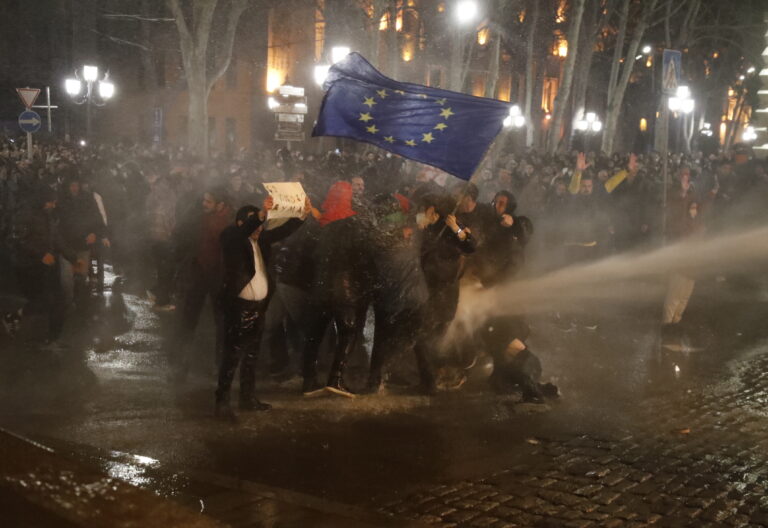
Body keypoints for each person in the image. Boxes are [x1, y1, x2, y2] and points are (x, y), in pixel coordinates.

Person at [215, 197, 309, 420]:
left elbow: (283, 231)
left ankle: (247, 398)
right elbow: (239, 233)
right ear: (240, 223)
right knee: (232, 356)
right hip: (239, 308)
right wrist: (259, 216)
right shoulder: (231, 237)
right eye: (254, 224)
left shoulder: (261, 240)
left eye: (261, 225)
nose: (258, 229)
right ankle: (222, 402)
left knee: (252, 356)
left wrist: (301, 216)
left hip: (259, 308)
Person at [413, 194, 476, 394]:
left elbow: (471, 246)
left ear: (434, 211)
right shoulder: (424, 227)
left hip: (444, 293)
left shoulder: (451, 229)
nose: (420, 213)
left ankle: (432, 381)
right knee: (429, 336)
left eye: (424, 209)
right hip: (425, 290)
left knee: (428, 335)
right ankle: (438, 375)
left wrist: (456, 228)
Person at [171, 187, 232, 380]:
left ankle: (220, 364)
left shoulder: (230, 222)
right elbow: (179, 231)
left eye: (209, 201)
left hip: (220, 276)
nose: (204, 204)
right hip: (198, 273)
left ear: (221, 205)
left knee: (221, 322)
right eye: (203, 200)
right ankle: (182, 364)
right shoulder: (198, 217)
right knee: (188, 319)